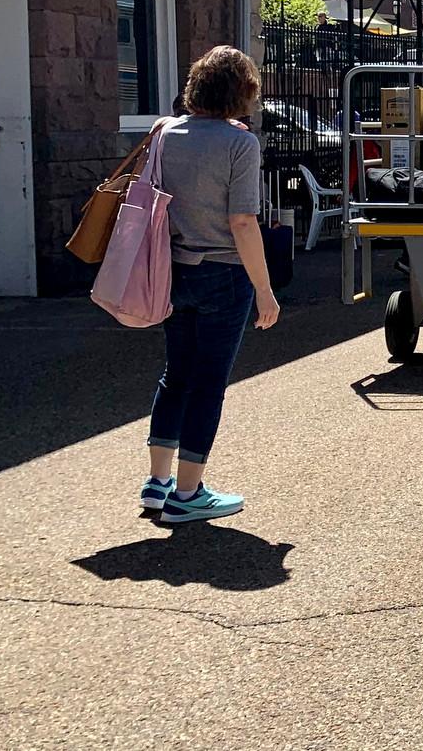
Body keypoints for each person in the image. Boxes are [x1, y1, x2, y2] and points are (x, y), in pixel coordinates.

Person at [140, 46, 281, 525]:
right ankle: (189, 491)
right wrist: (264, 289)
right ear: (241, 92)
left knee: (176, 375)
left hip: (173, 269)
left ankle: (157, 483)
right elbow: (242, 221)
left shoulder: (164, 132)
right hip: (223, 274)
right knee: (209, 385)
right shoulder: (240, 145)